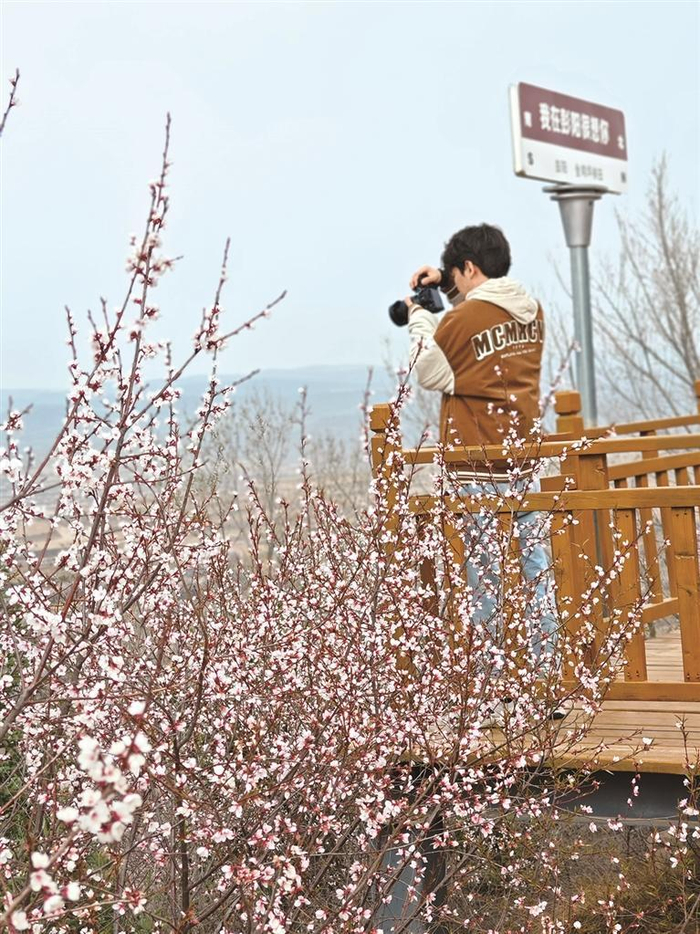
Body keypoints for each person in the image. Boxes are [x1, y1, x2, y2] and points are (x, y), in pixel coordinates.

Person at [405, 223, 567, 722]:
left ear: (469, 269)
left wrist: (417, 317)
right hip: (521, 457)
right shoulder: (532, 312)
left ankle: (495, 695)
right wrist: (447, 287)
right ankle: (546, 683)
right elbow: (479, 341)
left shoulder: (465, 317)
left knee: (485, 578)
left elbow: (430, 370)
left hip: (474, 459)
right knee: (536, 568)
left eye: (456, 275)